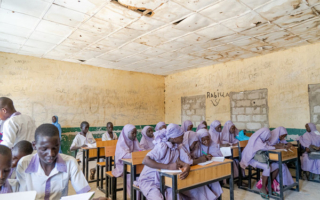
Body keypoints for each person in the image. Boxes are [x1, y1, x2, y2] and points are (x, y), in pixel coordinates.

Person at [134, 123, 191, 200]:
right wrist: (168, 167)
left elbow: (179, 161)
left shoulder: (175, 147)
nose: (183, 138)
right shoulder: (162, 146)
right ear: (174, 138)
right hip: (149, 180)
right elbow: (145, 160)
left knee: (177, 197)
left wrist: (187, 166)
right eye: (181, 136)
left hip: (164, 180)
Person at [240, 128, 281, 199]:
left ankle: (269, 184)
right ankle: (263, 188)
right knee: (266, 167)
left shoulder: (260, 138)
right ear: (264, 135)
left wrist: (276, 146)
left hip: (258, 157)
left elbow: (266, 145)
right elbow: (265, 147)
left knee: (277, 165)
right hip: (251, 159)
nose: (267, 139)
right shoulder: (256, 139)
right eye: (267, 137)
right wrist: (277, 146)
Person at [193, 129, 223, 199]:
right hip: (200, 171)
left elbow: (219, 154)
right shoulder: (196, 146)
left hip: (211, 169)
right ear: (199, 139)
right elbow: (194, 157)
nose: (206, 142)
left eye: (208, 139)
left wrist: (212, 155)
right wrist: (201, 158)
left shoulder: (212, 143)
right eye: (203, 140)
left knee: (215, 181)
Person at [112, 124, 141, 196]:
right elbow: (124, 155)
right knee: (134, 178)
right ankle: (135, 196)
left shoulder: (134, 140)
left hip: (133, 164)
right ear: (126, 133)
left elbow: (140, 150)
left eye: (135, 133)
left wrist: (140, 153)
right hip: (123, 166)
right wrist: (136, 154)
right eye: (132, 133)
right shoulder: (121, 143)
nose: (134, 135)